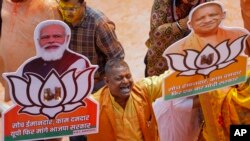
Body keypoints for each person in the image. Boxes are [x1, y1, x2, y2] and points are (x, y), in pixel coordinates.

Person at [165, 2, 250, 140]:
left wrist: (214, 91)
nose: (207, 20)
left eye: (212, 15)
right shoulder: (183, 54)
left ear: (223, 16)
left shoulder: (235, 39)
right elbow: (179, 103)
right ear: (190, 24)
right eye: (201, 18)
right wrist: (208, 95)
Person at [87, 58, 164, 141]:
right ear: (107, 81)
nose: (126, 81)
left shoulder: (143, 90)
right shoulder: (94, 103)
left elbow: (167, 79)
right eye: (119, 78)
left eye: (128, 76)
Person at [57, 0, 125, 92]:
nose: (67, 13)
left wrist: (100, 80)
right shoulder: (59, 17)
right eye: (63, 8)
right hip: (70, 81)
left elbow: (117, 57)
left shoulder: (99, 24)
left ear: (83, 5)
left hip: (95, 83)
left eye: (72, 9)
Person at [0, 0, 61, 102]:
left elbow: (60, 48)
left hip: (38, 77)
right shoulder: (4, 2)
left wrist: (53, 91)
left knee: (42, 111)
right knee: (14, 111)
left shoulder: (48, 6)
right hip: (10, 76)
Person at [144, 0, 212, 77]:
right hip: (162, 60)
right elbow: (156, 32)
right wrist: (182, 24)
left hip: (196, 60)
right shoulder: (162, 2)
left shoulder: (208, 2)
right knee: (161, 85)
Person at [21, 20, 89, 78]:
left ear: (67, 38)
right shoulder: (29, 66)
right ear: (38, 41)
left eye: (57, 36)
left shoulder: (78, 62)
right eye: (45, 37)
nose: (51, 40)